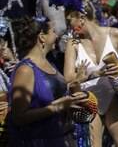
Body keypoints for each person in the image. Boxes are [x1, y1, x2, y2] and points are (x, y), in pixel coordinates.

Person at [56, 0, 118, 147]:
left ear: (80, 17)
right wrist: (87, 76)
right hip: (88, 102)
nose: (68, 25)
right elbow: (68, 78)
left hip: (114, 100)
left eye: (69, 20)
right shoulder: (73, 42)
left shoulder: (115, 34)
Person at [9, 16, 88, 146]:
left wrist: (76, 82)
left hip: (62, 137)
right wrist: (57, 107)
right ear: (42, 37)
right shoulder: (25, 70)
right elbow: (19, 117)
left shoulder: (49, 63)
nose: (57, 36)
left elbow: (55, 94)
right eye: (53, 31)